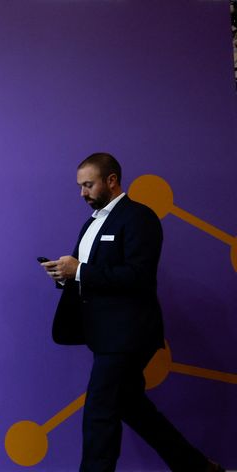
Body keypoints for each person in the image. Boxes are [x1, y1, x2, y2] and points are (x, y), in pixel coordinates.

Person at [41, 153, 223, 472]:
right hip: (103, 335)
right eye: (80, 186)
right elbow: (87, 274)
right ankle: (196, 466)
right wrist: (65, 275)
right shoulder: (91, 223)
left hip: (129, 334)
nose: (82, 193)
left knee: (99, 409)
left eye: (88, 185)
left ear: (111, 181)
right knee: (130, 405)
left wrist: (80, 270)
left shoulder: (140, 218)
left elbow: (138, 276)